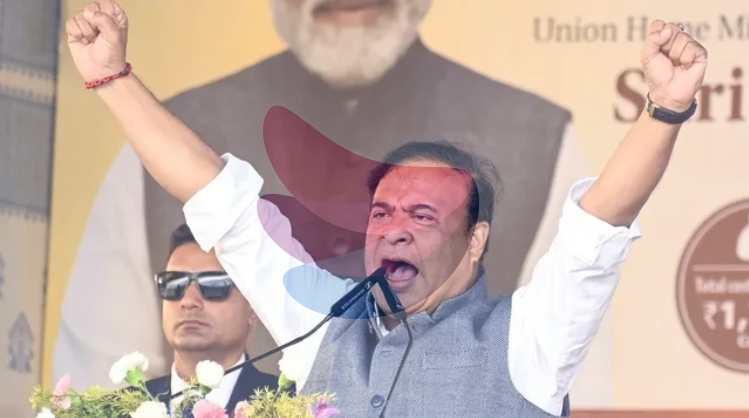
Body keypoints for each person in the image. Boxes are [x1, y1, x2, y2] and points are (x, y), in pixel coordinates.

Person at [65, 1, 707, 416]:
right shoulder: (322, 323)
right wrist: (111, 78)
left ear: (476, 239)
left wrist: (665, 110)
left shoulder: (527, 338)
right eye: (381, 215)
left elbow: (597, 227)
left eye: (423, 216)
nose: (394, 232)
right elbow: (217, 197)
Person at [144, 224, 278, 415]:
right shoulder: (111, 410)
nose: (188, 301)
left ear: (253, 306)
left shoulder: (297, 406)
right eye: (173, 283)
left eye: (213, 284)